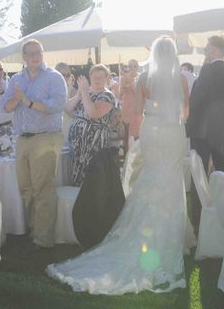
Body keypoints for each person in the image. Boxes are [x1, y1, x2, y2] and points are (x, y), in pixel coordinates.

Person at [47, 36, 195, 294]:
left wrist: (134, 99)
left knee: (150, 179)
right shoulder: (181, 79)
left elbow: (134, 114)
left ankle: (143, 232)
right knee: (172, 182)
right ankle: (171, 237)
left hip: (152, 131)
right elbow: (186, 113)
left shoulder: (144, 79)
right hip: (173, 133)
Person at [0, 39, 67, 248]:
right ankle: (33, 230)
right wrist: (17, 99)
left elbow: (57, 105)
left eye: (38, 52)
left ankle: (43, 239)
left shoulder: (54, 77)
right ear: (24, 57)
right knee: (26, 188)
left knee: (43, 188)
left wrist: (27, 100)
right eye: (30, 53)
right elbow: (5, 106)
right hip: (22, 139)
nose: (35, 56)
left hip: (46, 137)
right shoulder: (16, 79)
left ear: (42, 54)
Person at [186, 35, 224, 174]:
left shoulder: (207, 70)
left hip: (202, 129)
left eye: (207, 49)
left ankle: (200, 196)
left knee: (199, 172)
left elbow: (197, 98)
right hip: (222, 130)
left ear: (215, 51)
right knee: (222, 170)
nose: (205, 52)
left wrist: (187, 111)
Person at [65, 64, 116, 186]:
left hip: (94, 145)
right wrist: (79, 94)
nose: (97, 80)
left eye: (101, 77)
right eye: (94, 77)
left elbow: (93, 113)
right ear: (90, 78)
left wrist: (84, 93)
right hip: (77, 144)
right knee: (76, 175)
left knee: (92, 177)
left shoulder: (107, 95)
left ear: (107, 78)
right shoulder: (84, 93)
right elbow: (67, 108)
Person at [119, 59, 143, 141]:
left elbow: (139, 94)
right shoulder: (123, 78)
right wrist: (123, 87)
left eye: (134, 66)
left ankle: (137, 152)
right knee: (126, 133)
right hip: (127, 106)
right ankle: (127, 152)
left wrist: (130, 82)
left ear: (138, 67)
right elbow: (120, 95)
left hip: (137, 107)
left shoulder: (140, 77)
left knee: (137, 133)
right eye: (130, 66)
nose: (132, 68)